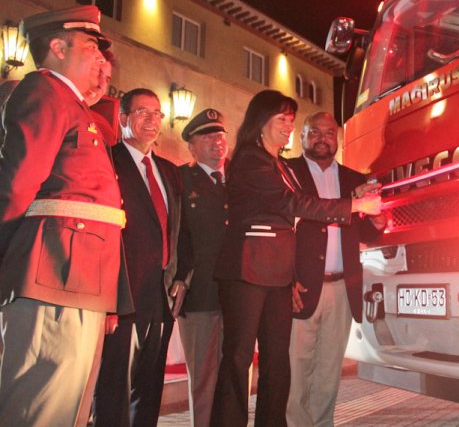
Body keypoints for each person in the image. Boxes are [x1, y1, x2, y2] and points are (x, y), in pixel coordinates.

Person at [211, 90, 381, 427]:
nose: (288, 127)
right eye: (282, 120)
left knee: (277, 364)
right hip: (248, 268)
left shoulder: (277, 164)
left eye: (291, 120)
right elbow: (294, 204)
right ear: (261, 121)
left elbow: (303, 203)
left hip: (277, 275)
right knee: (238, 359)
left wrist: (357, 202)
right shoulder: (249, 158)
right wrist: (354, 206)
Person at [0, 5, 132, 426]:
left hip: (80, 279)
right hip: (52, 276)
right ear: (57, 47)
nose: (101, 58)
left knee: (69, 408)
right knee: (38, 407)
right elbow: (15, 185)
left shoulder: (76, 107)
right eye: (92, 45)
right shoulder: (43, 91)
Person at [93, 88, 191, 427]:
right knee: (114, 385)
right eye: (142, 113)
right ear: (122, 120)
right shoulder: (107, 161)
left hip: (159, 293)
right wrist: (106, 295)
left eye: (157, 113)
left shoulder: (169, 170)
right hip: (121, 292)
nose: (152, 120)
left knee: (150, 387)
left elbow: (180, 230)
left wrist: (181, 277)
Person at [285, 112, 385, 427]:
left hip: (342, 288)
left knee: (328, 373)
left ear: (338, 138)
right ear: (301, 136)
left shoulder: (356, 180)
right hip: (300, 289)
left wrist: (377, 224)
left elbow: (364, 233)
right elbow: (278, 232)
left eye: (329, 132)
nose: (323, 138)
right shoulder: (287, 172)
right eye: (314, 131)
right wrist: (285, 282)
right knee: (295, 373)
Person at [178, 108, 231, 427]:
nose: (216, 141)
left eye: (220, 135)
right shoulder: (181, 180)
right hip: (200, 295)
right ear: (191, 146)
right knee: (203, 378)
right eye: (207, 136)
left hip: (238, 294)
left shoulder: (238, 182)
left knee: (236, 373)